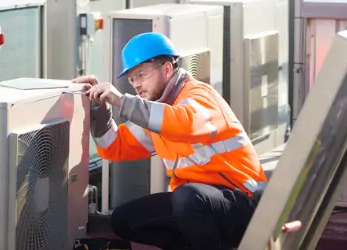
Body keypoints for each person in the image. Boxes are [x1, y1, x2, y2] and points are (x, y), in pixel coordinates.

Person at [72, 32, 267, 250]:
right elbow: (114, 147)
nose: (136, 85)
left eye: (141, 75)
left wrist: (123, 101)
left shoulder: (199, 95)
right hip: (199, 208)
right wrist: (100, 108)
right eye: (132, 79)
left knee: (188, 198)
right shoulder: (158, 113)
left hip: (245, 206)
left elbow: (186, 123)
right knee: (124, 219)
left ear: (167, 69)